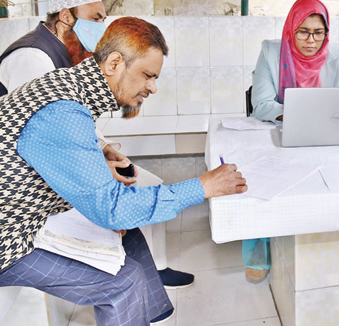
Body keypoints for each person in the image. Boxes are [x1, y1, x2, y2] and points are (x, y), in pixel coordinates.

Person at [0, 16, 247, 326]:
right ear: (114, 63)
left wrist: (97, 156)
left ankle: (155, 318)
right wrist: (203, 187)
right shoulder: (63, 110)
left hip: (23, 213)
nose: (152, 88)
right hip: (9, 239)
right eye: (147, 75)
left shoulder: (70, 88)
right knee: (121, 284)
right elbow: (113, 209)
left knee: (129, 236)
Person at [0, 0, 195, 291]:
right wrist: (204, 186)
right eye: (95, 18)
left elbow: (71, 121)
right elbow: (47, 132)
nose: (101, 28)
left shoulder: (67, 55)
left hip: (50, 176)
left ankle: (153, 286)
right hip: (21, 208)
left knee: (139, 193)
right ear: (66, 17)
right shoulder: (32, 57)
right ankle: (138, 289)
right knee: (120, 232)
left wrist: (103, 150)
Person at [247, 0, 339, 281]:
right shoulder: (271, 52)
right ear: (291, 29)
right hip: (282, 130)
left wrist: (326, 119)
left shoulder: (336, 53)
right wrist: (302, 115)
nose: (311, 40)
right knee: (264, 182)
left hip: (324, 135)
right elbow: (262, 104)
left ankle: (324, 239)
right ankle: (260, 248)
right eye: (303, 31)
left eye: (319, 33)